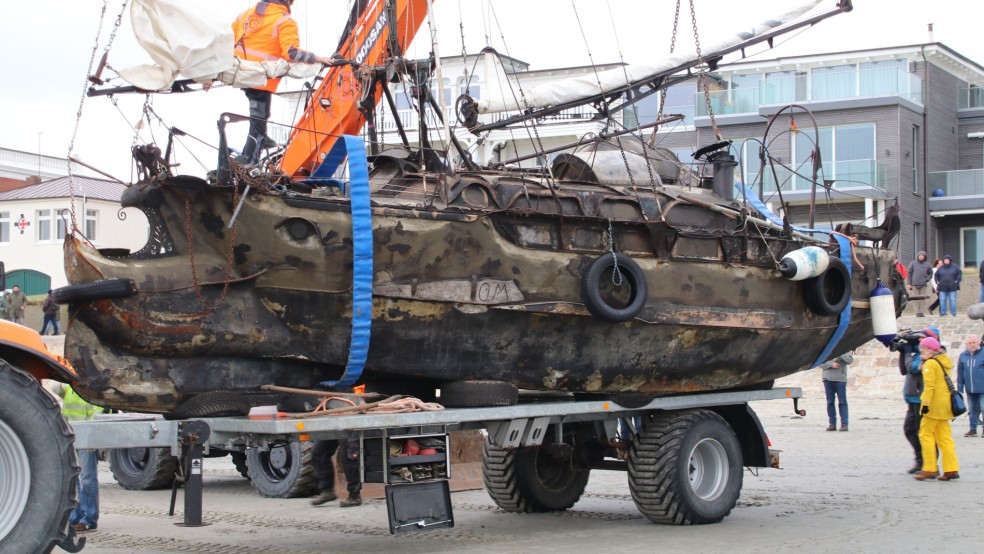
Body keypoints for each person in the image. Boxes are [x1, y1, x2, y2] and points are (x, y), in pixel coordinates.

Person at [231, 0, 333, 165]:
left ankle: (249, 158)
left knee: (258, 120)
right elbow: (291, 53)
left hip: (241, 75)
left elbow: (226, 45)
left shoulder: (244, 16)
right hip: (262, 78)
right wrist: (318, 59)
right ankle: (249, 164)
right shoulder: (284, 21)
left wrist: (211, 75)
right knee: (258, 125)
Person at [56, 384, 101, 531]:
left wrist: (94, 438)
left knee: (87, 478)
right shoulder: (69, 386)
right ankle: (74, 518)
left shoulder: (93, 389)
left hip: (88, 437)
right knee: (73, 479)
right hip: (71, 436)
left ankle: (89, 519)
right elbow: (54, 387)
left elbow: (98, 414)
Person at [914, 337, 959, 480]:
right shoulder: (943, 361)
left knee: (925, 435)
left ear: (930, 350)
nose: (921, 351)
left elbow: (929, 386)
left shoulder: (931, 364)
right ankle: (951, 469)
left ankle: (930, 468)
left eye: (923, 348)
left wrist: (925, 405)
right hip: (945, 405)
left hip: (933, 405)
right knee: (945, 438)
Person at [901, 326, 941, 473]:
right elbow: (904, 369)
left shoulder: (932, 355)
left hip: (921, 399)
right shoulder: (919, 353)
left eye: (923, 338)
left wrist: (907, 354)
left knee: (923, 432)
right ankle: (920, 460)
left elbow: (912, 367)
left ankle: (930, 463)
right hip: (912, 398)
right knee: (909, 430)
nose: (920, 340)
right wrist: (903, 352)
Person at [310, 438, 363, 508]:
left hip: (346, 428)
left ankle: (355, 495)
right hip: (331, 427)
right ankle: (327, 492)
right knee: (318, 451)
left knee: (347, 454)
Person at [957, 335, 984, 436]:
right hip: (970, 388)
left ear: (978, 343)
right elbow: (960, 371)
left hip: (982, 388)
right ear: (966, 345)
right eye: (970, 343)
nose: (972, 345)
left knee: (983, 408)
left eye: (974, 342)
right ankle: (973, 429)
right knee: (972, 410)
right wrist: (960, 386)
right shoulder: (963, 355)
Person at [820, 352, 853, 431]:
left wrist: (841, 353)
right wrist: (831, 364)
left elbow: (849, 360)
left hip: (840, 379)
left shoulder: (844, 349)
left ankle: (844, 424)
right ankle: (832, 424)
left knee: (842, 402)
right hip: (827, 379)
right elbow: (819, 363)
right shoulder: (827, 349)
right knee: (830, 402)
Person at [906, 251, 933, 317]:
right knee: (916, 299)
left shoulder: (928, 264)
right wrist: (909, 283)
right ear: (918, 256)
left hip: (923, 284)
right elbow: (909, 273)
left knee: (922, 299)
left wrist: (927, 279)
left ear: (924, 257)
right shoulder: (913, 263)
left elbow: (930, 273)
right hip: (914, 284)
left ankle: (921, 311)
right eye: (920, 255)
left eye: (922, 255)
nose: (921, 256)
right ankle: (917, 312)